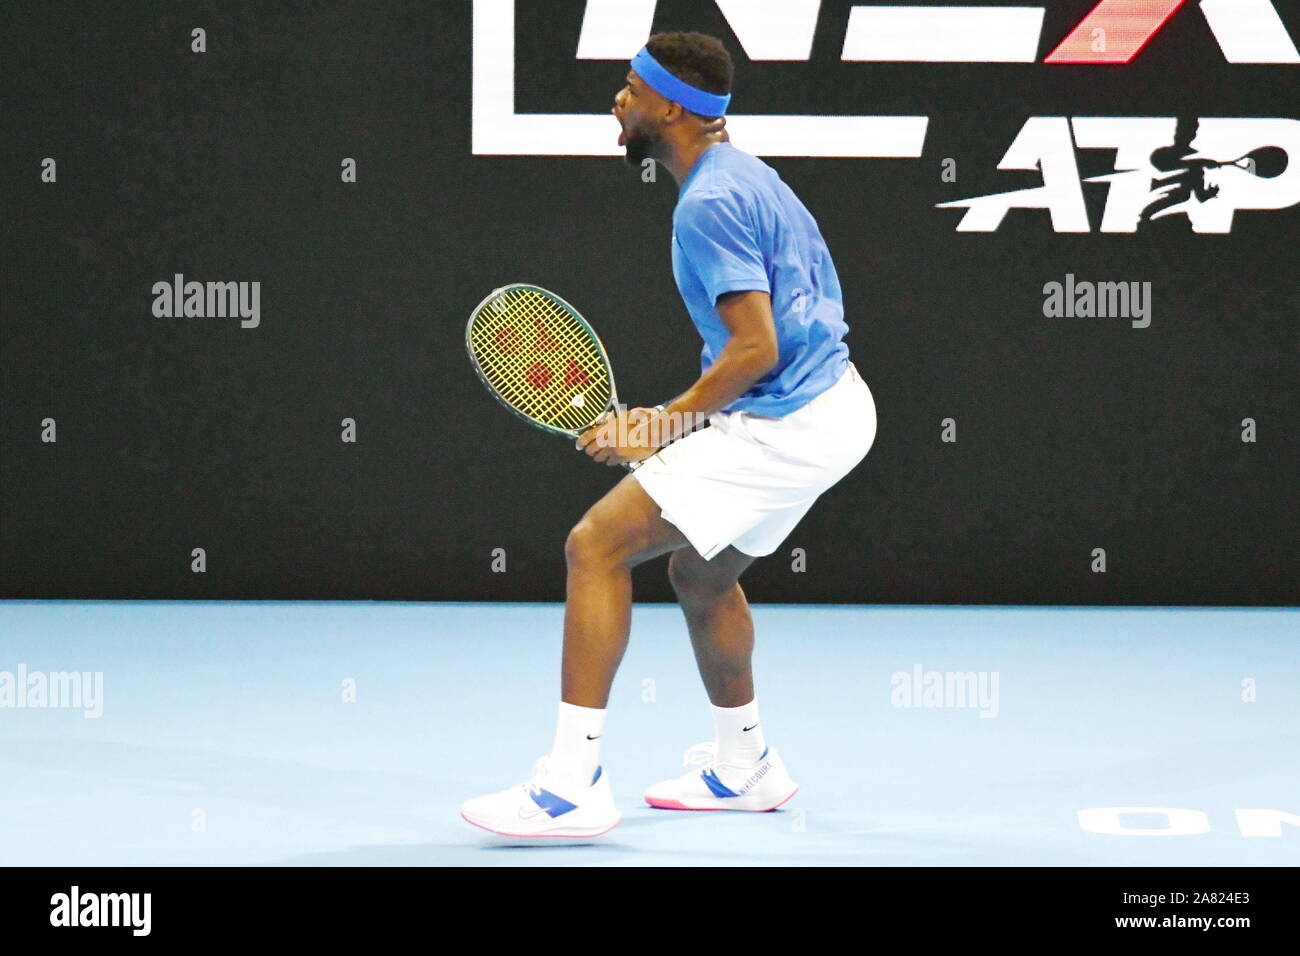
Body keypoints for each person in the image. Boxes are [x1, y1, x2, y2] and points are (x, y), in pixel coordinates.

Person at [461, 31, 877, 837]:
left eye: (633, 87)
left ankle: (571, 786)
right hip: (837, 406)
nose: (618, 100)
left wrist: (661, 425)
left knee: (595, 545)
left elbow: (756, 348)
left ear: (675, 108)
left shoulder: (708, 204)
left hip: (789, 420)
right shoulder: (746, 176)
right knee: (702, 574)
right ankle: (747, 765)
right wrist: (680, 424)